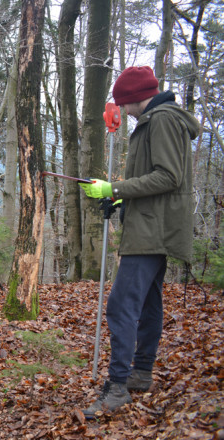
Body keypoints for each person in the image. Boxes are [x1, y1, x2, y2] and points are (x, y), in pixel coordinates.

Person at [78, 66, 199, 418]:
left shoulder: (161, 119)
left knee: (121, 306)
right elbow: (155, 179)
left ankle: (117, 387)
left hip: (151, 232)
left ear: (134, 98)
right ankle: (141, 373)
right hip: (153, 225)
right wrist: (119, 199)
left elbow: (167, 176)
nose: (124, 111)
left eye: (124, 103)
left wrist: (114, 188)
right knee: (147, 304)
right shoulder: (163, 119)